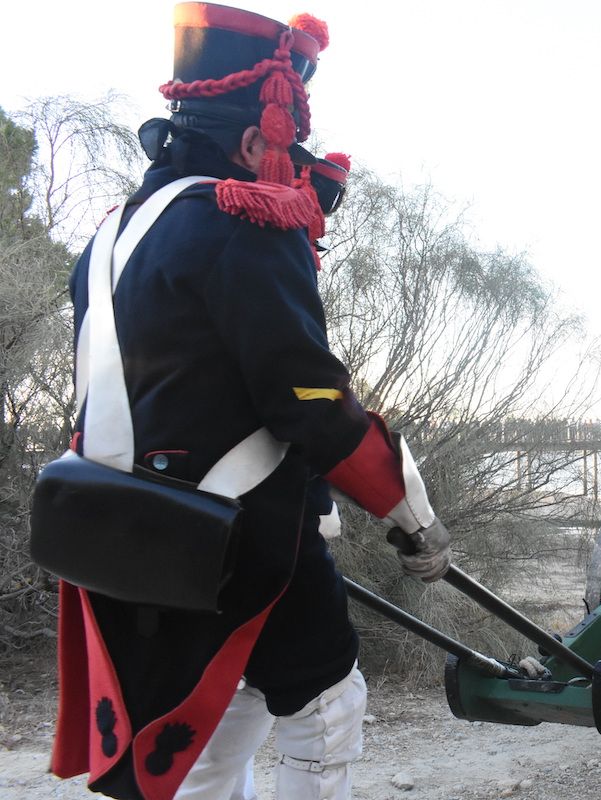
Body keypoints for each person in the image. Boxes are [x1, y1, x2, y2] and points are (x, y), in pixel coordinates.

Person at [48, 5, 448, 799]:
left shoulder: (113, 233)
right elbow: (309, 401)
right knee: (327, 706)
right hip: (239, 536)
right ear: (251, 139)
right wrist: (410, 514)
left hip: (122, 528)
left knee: (218, 720)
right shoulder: (239, 224)